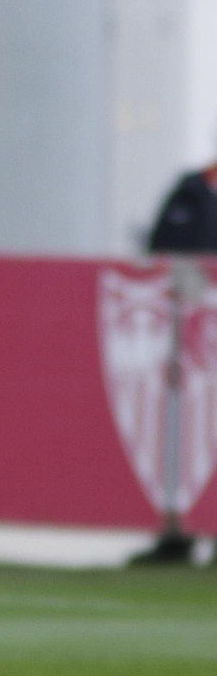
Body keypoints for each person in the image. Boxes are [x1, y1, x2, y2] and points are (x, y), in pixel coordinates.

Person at [132, 161, 217, 565]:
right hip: (191, 337)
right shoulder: (188, 193)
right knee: (182, 435)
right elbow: (162, 251)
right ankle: (176, 531)